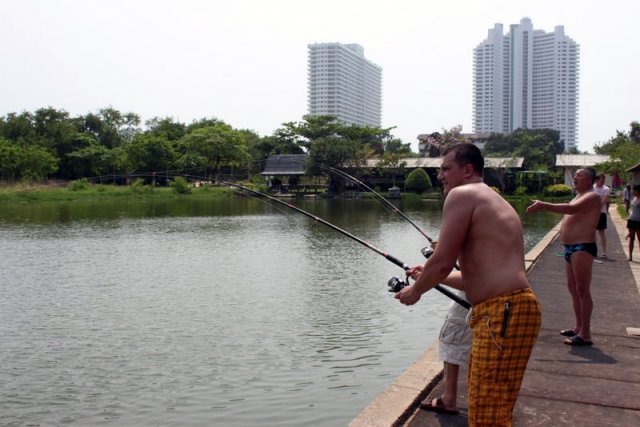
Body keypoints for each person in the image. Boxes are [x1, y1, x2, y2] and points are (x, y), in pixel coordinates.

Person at [396, 143, 541, 427]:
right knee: (493, 409)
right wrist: (426, 274)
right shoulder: (493, 199)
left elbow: (442, 263)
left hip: (502, 312)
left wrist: (416, 291)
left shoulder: (462, 194)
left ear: (468, 170)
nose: (440, 176)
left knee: (487, 414)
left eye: (446, 169)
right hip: (512, 309)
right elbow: (469, 276)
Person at [526, 168, 601, 346]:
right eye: (575, 175)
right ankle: (578, 327)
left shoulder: (592, 196)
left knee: (582, 290)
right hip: (570, 248)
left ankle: (585, 334)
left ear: (590, 180)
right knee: (573, 289)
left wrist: (543, 205)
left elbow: (570, 209)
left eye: (580, 175)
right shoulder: (579, 195)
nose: (575, 178)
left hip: (582, 247)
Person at [420, 288, 472, 415]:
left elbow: (443, 269)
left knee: (451, 334)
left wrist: (418, 287)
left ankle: (448, 399)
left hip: (476, 289)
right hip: (501, 290)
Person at [593, 173, 610, 258]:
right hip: (591, 213)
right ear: (597, 180)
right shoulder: (592, 187)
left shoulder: (606, 189)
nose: (603, 181)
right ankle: (594, 251)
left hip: (601, 213)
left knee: (601, 232)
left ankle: (604, 252)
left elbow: (604, 200)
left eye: (604, 179)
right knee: (592, 232)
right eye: (601, 179)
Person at [626, 185, 640, 261]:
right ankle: (630, 256)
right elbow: (631, 209)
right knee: (631, 239)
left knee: (639, 239)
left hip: (638, 221)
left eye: (633, 190)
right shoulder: (634, 199)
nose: (632, 191)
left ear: (638, 191)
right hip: (631, 220)